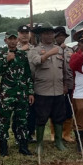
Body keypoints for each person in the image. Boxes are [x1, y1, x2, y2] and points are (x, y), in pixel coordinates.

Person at [28, 24, 67, 152]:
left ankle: (59, 141)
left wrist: (65, 84)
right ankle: (39, 144)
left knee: (59, 117)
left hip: (58, 89)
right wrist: (49, 54)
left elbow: (65, 70)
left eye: (51, 33)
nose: (49, 35)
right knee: (41, 117)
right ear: (41, 35)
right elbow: (36, 62)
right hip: (42, 90)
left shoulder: (60, 50)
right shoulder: (35, 50)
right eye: (46, 33)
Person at [0, 30, 34, 156]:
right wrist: (7, 60)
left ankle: (23, 145)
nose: (12, 41)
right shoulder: (1, 53)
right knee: (4, 121)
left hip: (22, 94)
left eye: (14, 39)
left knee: (22, 121)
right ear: (5, 40)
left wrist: (30, 92)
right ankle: (3, 147)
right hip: (7, 95)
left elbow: (28, 75)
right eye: (9, 39)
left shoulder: (22, 55)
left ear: (17, 40)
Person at [50, 26, 74, 143]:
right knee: (55, 110)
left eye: (63, 36)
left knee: (68, 110)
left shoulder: (70, 50)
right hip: (56, 84)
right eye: (58, 36)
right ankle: (54, 133)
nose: (61, 38)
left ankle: (66, 134)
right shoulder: (52, 50)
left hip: (69, 84)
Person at [17, 24, 36, 143]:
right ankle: (18, 136)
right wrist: (20, 51)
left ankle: (30, 134)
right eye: (22, 32)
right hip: (18, 86)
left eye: (26, 32)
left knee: (32, 112)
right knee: (19, 113)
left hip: (32, 85)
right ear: (18, 34)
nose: (24, 35)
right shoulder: (14, 48)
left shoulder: (34, 48)